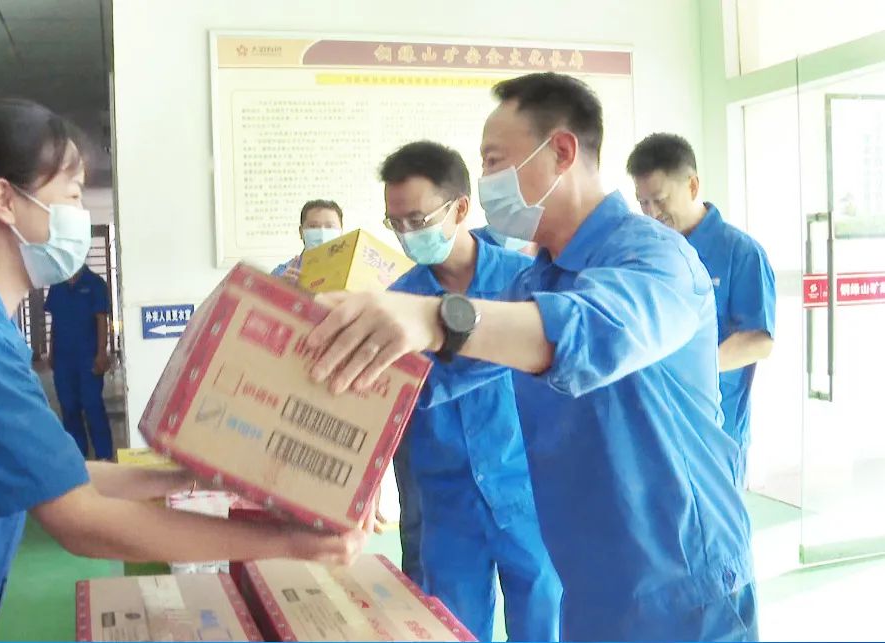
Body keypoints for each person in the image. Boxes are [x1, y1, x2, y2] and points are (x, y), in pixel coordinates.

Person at [0, 99, 369, 641]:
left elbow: (65, 476)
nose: (79, 217)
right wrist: (287, 543)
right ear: (5, 200)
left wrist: (187, 476)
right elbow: (80, 519)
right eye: (73, 195)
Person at [301, 73, 757, 642]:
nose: (487, 180)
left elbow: (591, 334)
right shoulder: (535, 282)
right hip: (591, 577)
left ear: (561, 151)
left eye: (495, 161)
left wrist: (436, 317)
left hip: (682, 581)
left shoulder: (657, 258)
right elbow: (433, 378)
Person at [381, 140, 560, 642]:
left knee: (544, 620)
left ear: (460, 209)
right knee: (453, 628)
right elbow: (395, 399)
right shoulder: (397, 302)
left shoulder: (523, 282)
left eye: (417, 220)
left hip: (527, 489)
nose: (407, 234)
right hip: (446, 501)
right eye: (395, 222)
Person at [628, 133, 776, 488]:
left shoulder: (740, 252)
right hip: (654, 427)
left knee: (712, 522)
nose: (651, 213)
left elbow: (758, 340)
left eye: (660, 200)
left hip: (714, 433)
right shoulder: (645, 251)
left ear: (692, 186)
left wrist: (694, 370)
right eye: (642, 202)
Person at [44, 265, 115, 460]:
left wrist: (101, 353)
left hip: (88, 357)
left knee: (92, 405)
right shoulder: (57, 285)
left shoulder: (95, 284)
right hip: (63, 359)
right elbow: (55, 322)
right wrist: (51, 351)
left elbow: (101, 319)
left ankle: (104, 455)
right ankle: (77, 456)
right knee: (68, 406)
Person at [272, 199, 344, 283]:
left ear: (341, 231)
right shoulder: (281, 274)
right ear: (301, 232)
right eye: (313, 226)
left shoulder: (352, 270)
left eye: (330, 226)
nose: (322, 232)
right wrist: (282, 287)